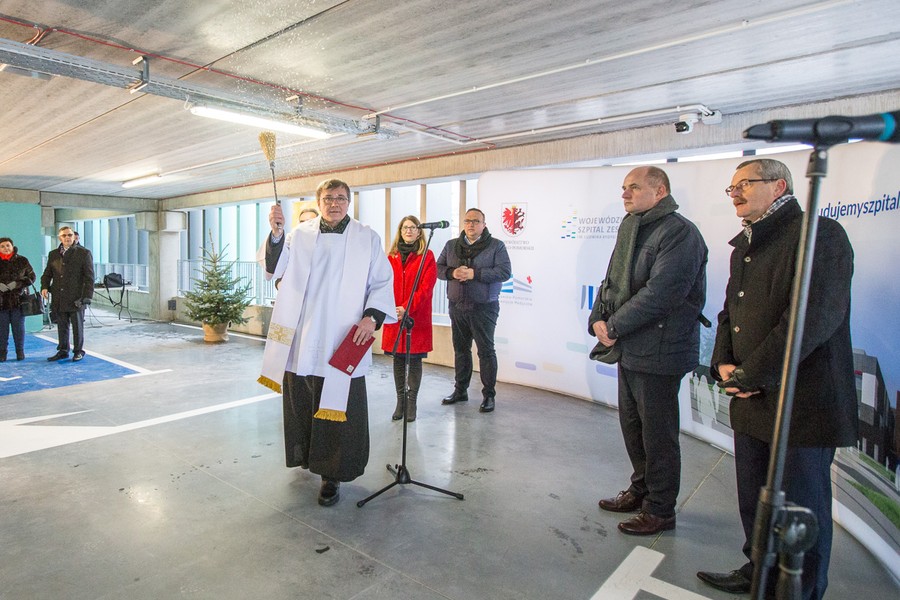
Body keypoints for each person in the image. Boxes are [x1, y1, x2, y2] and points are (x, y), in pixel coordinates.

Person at [697, 159, 856, 599]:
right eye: (731, 189)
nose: (736, 195)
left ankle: (799, 590)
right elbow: (730, 312)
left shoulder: (819, 236)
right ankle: (759, 572)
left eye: (744, 185)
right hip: (751, 397)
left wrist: (754, 373)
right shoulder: (745, 245)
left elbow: (810, 319)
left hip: (801, 404)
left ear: (779, 185)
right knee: (755, 497)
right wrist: (724, 363)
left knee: (800, 508)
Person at [257, 179, 396, 507]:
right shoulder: (299, 234)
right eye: (328, 198)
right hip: (304, 335)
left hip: (343, 333)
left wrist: (372, 316)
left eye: (341, 198)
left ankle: (332, 476)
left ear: (349, 202)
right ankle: (308, 458)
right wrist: (276, 234)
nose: (335, 203)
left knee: (338, 407)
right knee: (304, 400)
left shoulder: (367, 237)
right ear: (319, 202)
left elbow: (382, 281)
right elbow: (274, 270)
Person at [590, 166, 708, 536]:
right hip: (632, 347)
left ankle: (660, 509)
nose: (625, 194)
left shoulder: (680, 234)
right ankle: (641, 490)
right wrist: (597, 317)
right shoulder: (632, 227)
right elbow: (612, 281)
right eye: (624, 188)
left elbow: (661, 294)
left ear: (660, 192)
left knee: (658, 433)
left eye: (634, 188)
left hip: (661, 349)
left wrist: (614, 326)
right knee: (633, 426)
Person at [436, 208, 511, 413]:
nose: (471, 225)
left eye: (476, 221)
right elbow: (438, 268)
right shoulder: (452, 245)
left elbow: (504, 272)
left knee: (486, 351)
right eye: (468, 221)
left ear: (484, 225)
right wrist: (453, 272)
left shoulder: (496, 246)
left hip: (484, 307)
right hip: (457, 305)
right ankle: (460, 390)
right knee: (461, 350)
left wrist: (474, 274)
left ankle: (489, 395)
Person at [381, 216, 437, 422]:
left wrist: (407, 307)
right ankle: (400, 401)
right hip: (395, 316)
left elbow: (426, 288)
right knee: (398, 359)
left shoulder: (427, 256)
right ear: (400, 230)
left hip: (416, 317)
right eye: (405, 227)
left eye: (413, 228)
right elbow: (384, 285)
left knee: (413, 360)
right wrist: (392, 308)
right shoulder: (392, 257)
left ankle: (412, 402)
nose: (409, 231)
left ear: (420, 232)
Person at [41, 226, 94, 362]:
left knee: (77, 327)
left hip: (77, 298)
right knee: (62, 326)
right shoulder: (53, 254)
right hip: (59, 297)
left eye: (70, 235)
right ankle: (63, 350)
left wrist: (87, 297)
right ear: (60, 238)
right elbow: (47, 274)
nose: (67, 237)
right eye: (64, 235)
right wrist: (44, 287)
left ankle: (78, 351)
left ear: (74, 237)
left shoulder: (84, 253)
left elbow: (89, 277)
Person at [0, 237, 37, 362]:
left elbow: (32, 277)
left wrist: (17, 284)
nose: (6, 248)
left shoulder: (22, 260)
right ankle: (2, 353)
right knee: (2, 330)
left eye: (8, 245)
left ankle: (20, 352)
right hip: (1, 302)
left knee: (19, 329)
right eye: (2, 246)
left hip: (18, 301)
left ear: (12, 246)